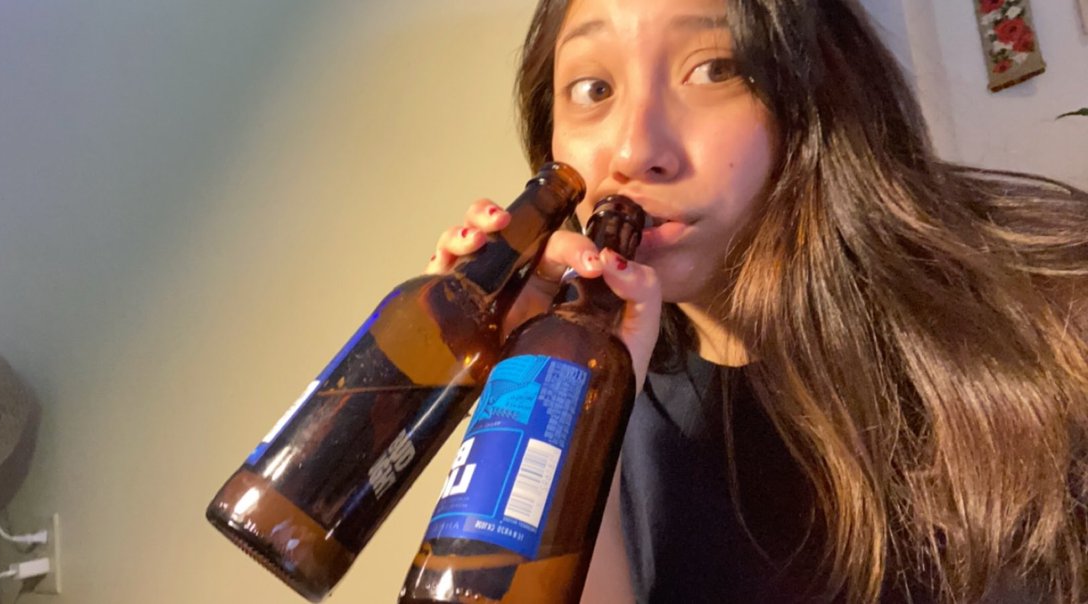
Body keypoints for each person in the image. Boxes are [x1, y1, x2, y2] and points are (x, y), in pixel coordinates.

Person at [424, 0, 1088, 601]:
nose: (634, 151)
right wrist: (531, 395)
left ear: (814, 86)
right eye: (593, 89)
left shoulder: (1051, 306)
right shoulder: (612, 389)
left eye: (712, 70)